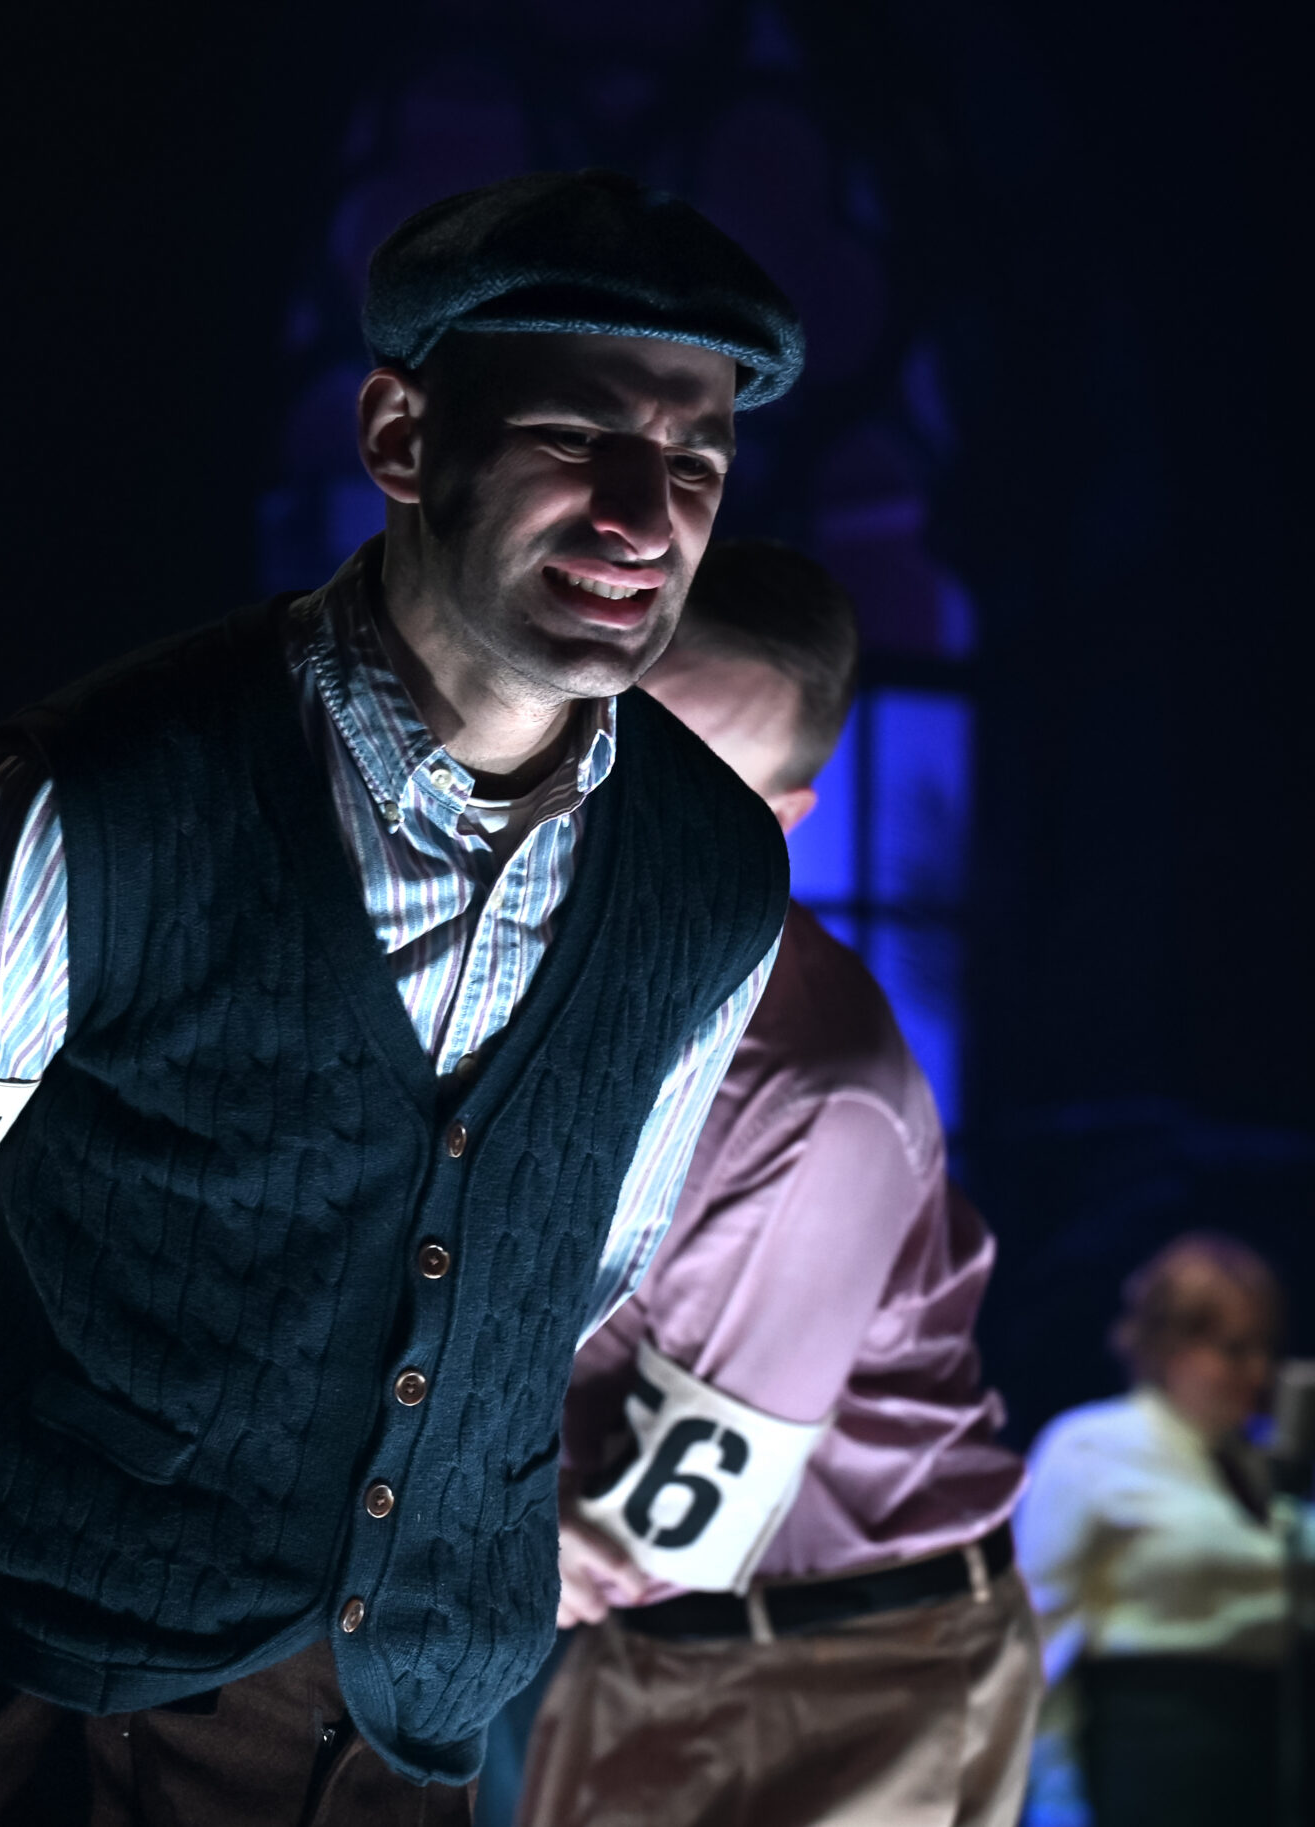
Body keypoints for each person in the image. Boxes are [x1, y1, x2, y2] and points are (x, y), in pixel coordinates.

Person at [0, 169, 801, 1823]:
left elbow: (576, 1271)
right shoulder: (86, 806)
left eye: (694, 460)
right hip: (57, 1738)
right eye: (576, 436)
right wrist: (68, 1492)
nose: (642, 511)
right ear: (401, 436)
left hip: (410, 1753)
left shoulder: (713, 872)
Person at [496, 540, 1039, 1827]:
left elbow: (659, 1529)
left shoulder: (809, 1088)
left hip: (851, 1671)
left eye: (707, 788)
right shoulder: (527, 970)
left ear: (783, 818)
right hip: (645, 1645)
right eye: (615, 755)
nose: (638, 819)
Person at [1015, 1233, 1298, 1826]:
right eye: (1235, 1349)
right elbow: (1037, 1644)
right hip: (1152, 1764)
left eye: (1265, 1348)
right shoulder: (1090, 1445)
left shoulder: (1260, 1467)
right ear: (1169, 1346)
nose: (1258, 1372)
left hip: (1268, 1761)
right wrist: (1057, 1807)